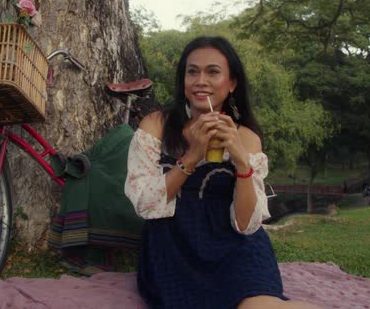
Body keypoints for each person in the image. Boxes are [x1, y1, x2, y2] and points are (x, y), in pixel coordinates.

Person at [125, 36, 320, 308]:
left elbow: (246, 224)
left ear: (231, 84)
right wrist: (192, 155)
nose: (200, 80)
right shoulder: (156, 125)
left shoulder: (247, 138)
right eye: (192, 71)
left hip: (236, 249)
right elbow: (145, 204)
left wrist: (242, 162)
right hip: (174, 247)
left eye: (213, 72)